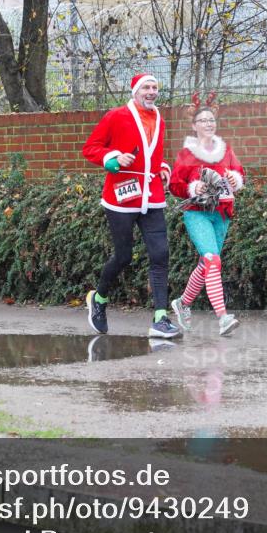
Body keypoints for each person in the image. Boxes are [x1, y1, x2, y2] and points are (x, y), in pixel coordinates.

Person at [83, 73, 180, 339]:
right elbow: (91, 148)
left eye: (155, 87)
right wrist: (112, 159)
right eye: (146, 87)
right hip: (121, 197)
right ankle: (99, 299)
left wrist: (162, 168)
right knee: (123, 256)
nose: (151, 91)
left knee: (160, 255)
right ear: (135, 91)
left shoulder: (159, 118)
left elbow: (154, 155)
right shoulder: (116, 116)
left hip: (152, 195)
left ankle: (161, 318)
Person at [169, 95, 245, 336]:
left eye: (211, 120)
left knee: (207, 263)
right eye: (202, 120)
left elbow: (239, 172)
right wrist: (194, 188)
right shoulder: (187, 153)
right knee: (212, 260)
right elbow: (174, 184)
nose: (208, 124)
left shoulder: (226, 150)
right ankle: (223, 318)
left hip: (221, 212)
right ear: (194, 125)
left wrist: (236, 179)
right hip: (197, 214)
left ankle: (183, 303)